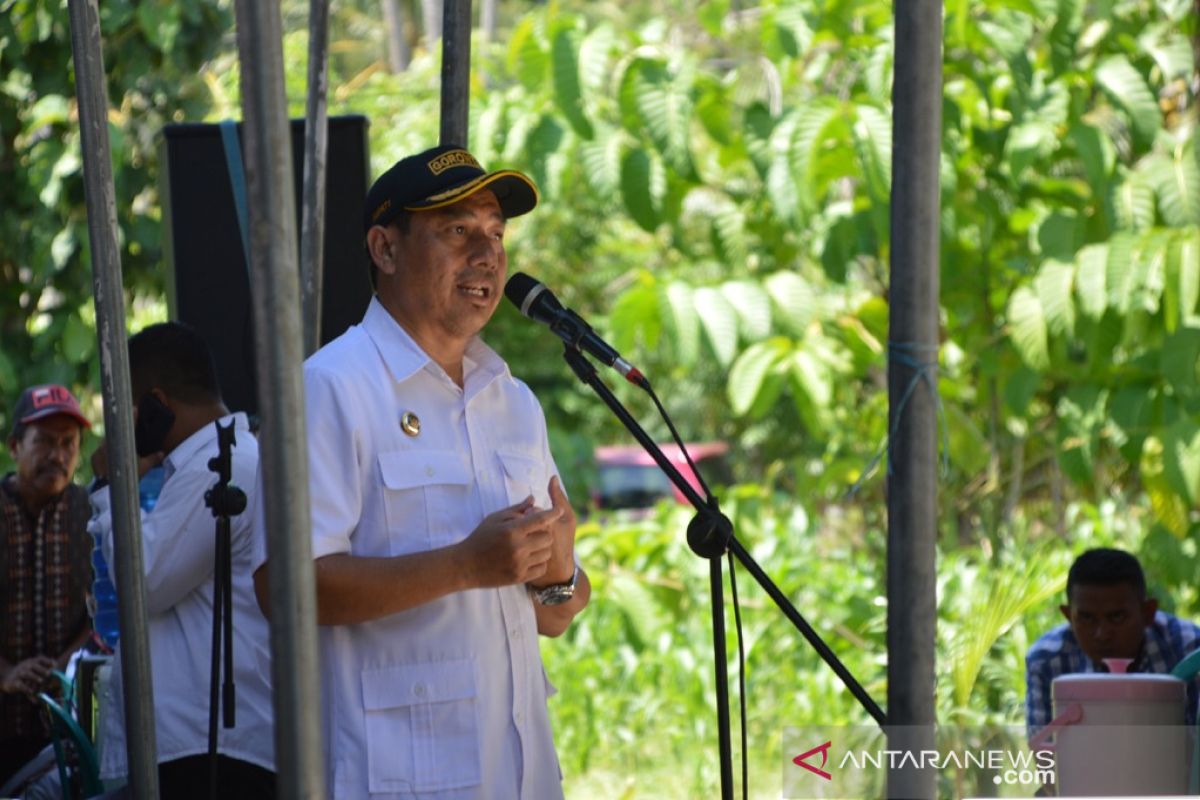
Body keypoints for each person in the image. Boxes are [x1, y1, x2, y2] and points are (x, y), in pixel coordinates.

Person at [252, 144, 591, 799]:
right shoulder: (329, 388)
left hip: (520, 778)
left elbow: (557, 613)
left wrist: (558, 573)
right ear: (384, 249)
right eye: (457, 231)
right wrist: (466, 565)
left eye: (495, 233)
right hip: (397, 778)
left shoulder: (513, 401)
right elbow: (285, 592)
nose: (487, 255)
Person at [88, 322, 275, 798]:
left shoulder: (221, 465)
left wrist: (114, 482)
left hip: (214, 751)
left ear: (155, 404)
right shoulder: (204, 463)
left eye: (124, 409)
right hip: (197, 747)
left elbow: (142, 582)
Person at [0, 385, 93, 787]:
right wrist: (6, 673)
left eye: (67, 443)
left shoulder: (91, 513)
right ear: (15, 446)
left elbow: (108, 612)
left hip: (66, 730)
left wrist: (65, 664)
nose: (57, 455)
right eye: (45, 442)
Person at [1025, 547, 1200, 736]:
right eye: (1086, 618)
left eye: (1117, 617)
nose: (1102, 633)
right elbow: (1046, 754)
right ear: (1068, 616)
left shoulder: (1188, 647)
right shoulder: (1047, 660)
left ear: (1147, 613)